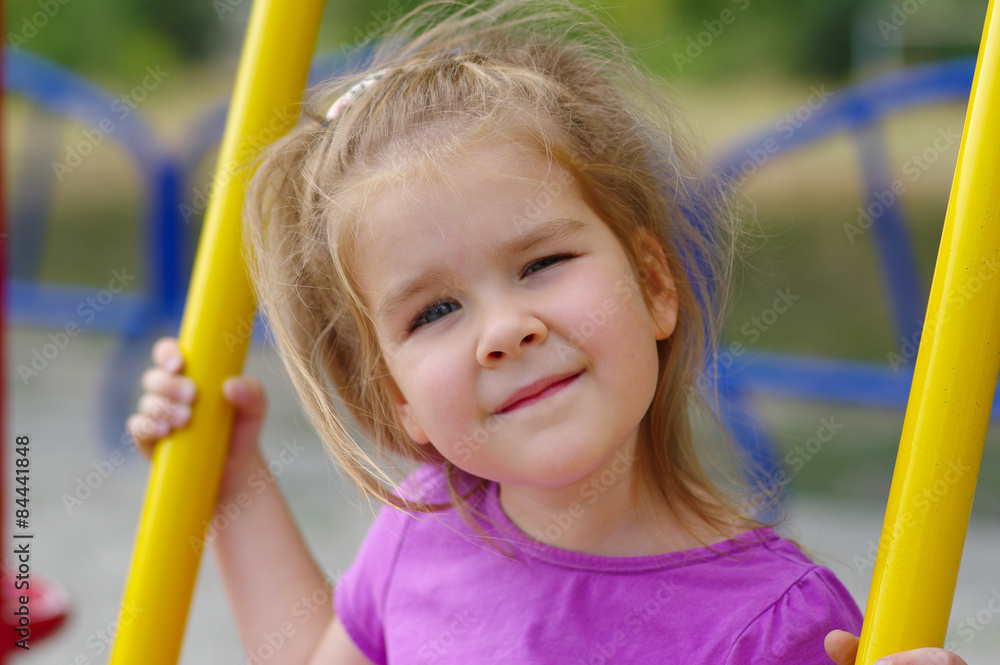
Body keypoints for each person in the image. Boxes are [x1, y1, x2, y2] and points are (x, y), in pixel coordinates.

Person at [126, 1, 971, 662]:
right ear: (401, 399)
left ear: (652, 284)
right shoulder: (429, 524)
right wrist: (232, 481)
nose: (504, 330)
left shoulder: (776, 627)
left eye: (540, 263)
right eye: (435, 311)